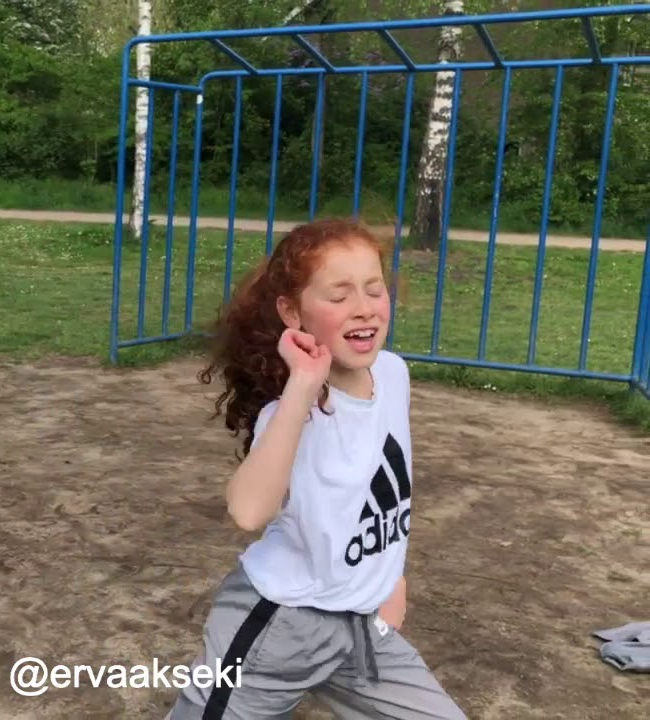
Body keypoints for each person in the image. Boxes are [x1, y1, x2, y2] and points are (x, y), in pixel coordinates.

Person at [167, 219, 466, 719]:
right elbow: (247, 511)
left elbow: (377, 492)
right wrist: (302, 386)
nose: (364, 307)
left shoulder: (393, 374)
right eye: (339, 295)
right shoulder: (292, 413)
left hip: (363, 628)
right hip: (279, 630)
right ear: (293, 312)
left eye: (374, 289)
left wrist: (390, 580)